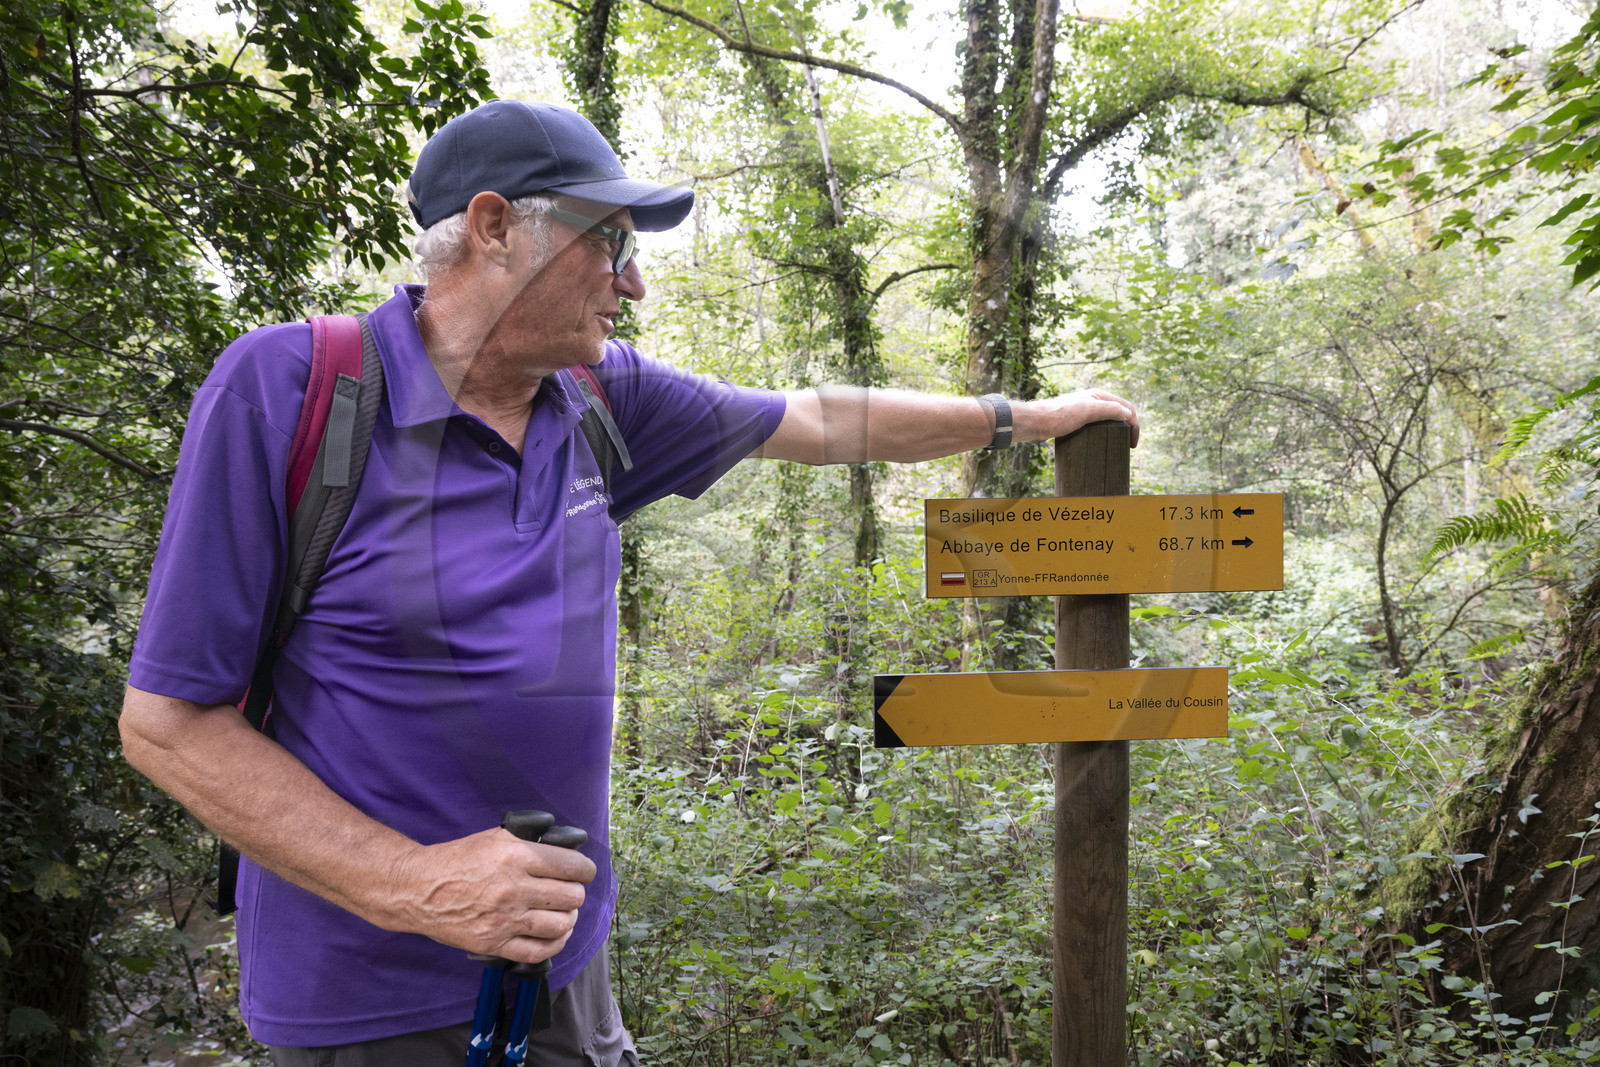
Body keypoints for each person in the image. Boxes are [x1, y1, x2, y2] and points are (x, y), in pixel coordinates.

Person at [118, 99, 1139, 1066]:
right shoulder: (293, 391)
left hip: (568, 964)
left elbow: (821, 420)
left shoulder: (601, 396)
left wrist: (1025, 418)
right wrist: (414, 883)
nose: (633, 281)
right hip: (374, 1000)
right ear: (492, 229)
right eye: (610, 242)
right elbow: (168, 721)